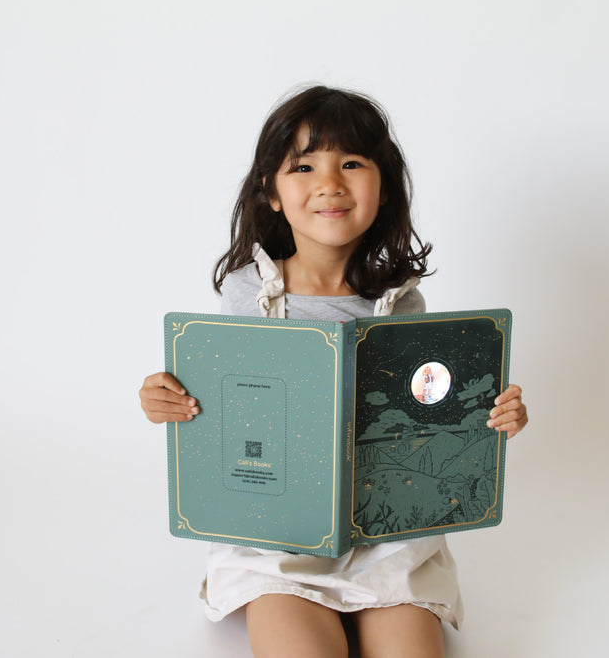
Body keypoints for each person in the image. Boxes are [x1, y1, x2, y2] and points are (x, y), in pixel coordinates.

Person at [139, 85, 528, 658]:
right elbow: (216, 403)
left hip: (385, 535)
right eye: (304, 166)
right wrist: (164, 399)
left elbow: (431, 414)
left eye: (351, 163)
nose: (330, 183)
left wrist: (488, 416)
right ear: (271, 191)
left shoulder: (401, 305)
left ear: (384, 189)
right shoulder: (250, 294)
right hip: (277, 537)